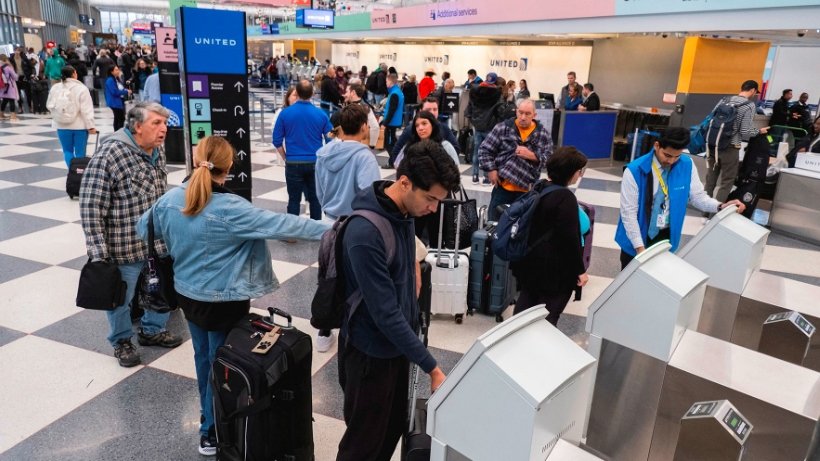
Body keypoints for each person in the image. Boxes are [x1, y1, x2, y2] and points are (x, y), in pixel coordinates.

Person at [136, 136, 328, 456]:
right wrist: (335, 229)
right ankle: (218, 430)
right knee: (223, 365)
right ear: (228, 168)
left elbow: (144, 228)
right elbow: (283, 225)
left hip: (187, 294)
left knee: (203, 358)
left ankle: (208, 425)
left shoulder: (170, 199)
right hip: (224, 301)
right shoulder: (232, 208)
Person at [336, 140, 460, 461]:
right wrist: (432, 367)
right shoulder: (364, 233)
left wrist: (414, 266)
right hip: (369, 354)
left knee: (391, 431)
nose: (434, 208)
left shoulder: (402, 210)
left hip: (396, 348)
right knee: (362, 446)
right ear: (404, 183)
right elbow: (385, 313)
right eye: (430, 198)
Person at [79, 102, 184, 369]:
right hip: (123, 247)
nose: (164, 129)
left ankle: (152, 331)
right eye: (156, 123)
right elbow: (91, 207)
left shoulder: (157, 151)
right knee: (120, 300)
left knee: (159, 290)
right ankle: (122, 341)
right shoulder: (110, 154)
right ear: (137, 126)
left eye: (165, 123)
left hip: (156, 243)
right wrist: (98, 254)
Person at [616, 127, 747, 269]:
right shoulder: (635, 170)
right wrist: (640, 250)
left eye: (676, 156)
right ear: (657, 146)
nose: (671, 161)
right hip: (636, 240)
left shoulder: (686, 165)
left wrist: (720, 206)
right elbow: (629, 214)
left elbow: (698, 197)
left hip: (665, 236)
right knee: (632, 281)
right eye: (667, 155)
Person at [511, 147, 589, 325]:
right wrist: (580, 270)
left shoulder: (540, 187)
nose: (580, 175)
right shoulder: (565, 198)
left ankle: (515, 336)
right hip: (554, 272)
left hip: (530, 262)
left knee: (525, 307)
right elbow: (570, 239)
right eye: (579, 170)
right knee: (548, 317)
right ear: (570, 172)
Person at [479, 98, 553, 221]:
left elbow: (550, 160)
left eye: (527, 114)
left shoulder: (542, 134)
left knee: (520, 227)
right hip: (502, 187)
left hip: (526, 191)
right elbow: (485, 149)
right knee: (494, 223)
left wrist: (532, 155)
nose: (523, 117)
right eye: (520, 112)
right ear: (516, 111)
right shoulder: (503, 128)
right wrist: (491, 169)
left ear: (534, 115)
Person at [273, 79, 333, 221]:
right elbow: (331, 140)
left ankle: (292, 231)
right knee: (315, 199)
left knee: (293, 200)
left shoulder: (285, 114)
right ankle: (316, 229)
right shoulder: (321, 114)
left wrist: (286, 157)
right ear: (312, 93)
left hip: (293, 162)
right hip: (315, 163)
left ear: (297, 93)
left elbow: (276, 141)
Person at [704, 80, 769, 203]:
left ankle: (704, 208)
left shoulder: (724, 100)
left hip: (713, 145)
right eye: (755, 92)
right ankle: (715, 211)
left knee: (710, 180)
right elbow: (745, 130)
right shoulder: (749, 105)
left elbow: (710, 118)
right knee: (727, 181)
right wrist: (759, 131)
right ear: (753, 90)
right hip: (730, 147)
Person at [47, 65, 97, 167]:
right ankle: (79, 173)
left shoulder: (55, 88)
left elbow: (50, 105)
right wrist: (91, 126)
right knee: (80, 153)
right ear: (74, 74)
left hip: (61, 125)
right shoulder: (82, 88)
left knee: (67, 151)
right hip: (79, 126)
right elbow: (86, 110)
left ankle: (72, 172)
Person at [392, 96, 459, 159]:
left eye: (435, 109)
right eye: (428, 110)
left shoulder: (444, 128)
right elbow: (396, 152)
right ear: (421, 110)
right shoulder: (410, 129)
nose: (432, 112)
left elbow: (455, 149)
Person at [465, 72, 502, 184]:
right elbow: (500, 112)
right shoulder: (496, 94)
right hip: (490, 128)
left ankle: (475, 176)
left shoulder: (474, 92)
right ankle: (486, 178)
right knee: (489, 153)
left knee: (476, 152)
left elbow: (468, 111)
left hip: (478, 128)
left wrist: (474, 122)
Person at [394, 110, 459, 167]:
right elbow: (397, 165)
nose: (420, 128)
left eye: (424, 123)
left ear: (432, 125)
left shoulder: (445, 146)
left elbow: (455, 170)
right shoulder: (409, 146)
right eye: (417, 125)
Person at [332, 83, 380, 148]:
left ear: (353, 93)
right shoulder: (366, 108)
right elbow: (375, 127)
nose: (344, 94)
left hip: (344, 145)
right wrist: (372, 145)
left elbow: (375, 127)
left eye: (347, 92)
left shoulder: (346, 109)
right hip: (358, 146)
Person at [381, 73, 405, 168]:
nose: (386, 83)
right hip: (395, 121)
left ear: (391, 82)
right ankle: (396, 160)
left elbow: (392, 110)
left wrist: (385, 123)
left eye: (387, 81)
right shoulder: (398, 91)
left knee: (388, 144)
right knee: (394, 143)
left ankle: (392, 162)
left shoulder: (394, 94)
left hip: (391, 122)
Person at [104, 65, 131, 131]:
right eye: (116, 70)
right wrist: (126, 91)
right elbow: (114, 92)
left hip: (118, 101)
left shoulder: (116, 79)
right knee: (120, 118)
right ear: (112, 72)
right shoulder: (110, 80)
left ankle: (117, 131)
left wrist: (125, 90)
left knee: (117, 118)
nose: (118, 71)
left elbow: (119, 88)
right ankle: (118, 132)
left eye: (118, 69)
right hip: (114, 102)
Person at [0, 55, 19, 121]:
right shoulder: (8, 67)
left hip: (2, 86)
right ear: (6, 59)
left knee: (4, 100)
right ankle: (13, 116)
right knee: (11, 99)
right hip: (10, 86)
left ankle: (1, 114)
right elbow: (15, 77)